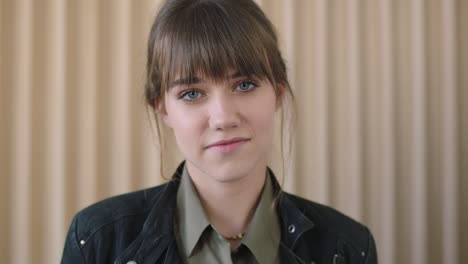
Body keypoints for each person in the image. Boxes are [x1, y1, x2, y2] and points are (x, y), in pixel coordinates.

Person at [61, 0, 377, 263]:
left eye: (244, 84)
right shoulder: (97, 240)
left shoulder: (347, 247)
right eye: (192, 93)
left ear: (278, 93)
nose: (223, 118)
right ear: (163, 108)